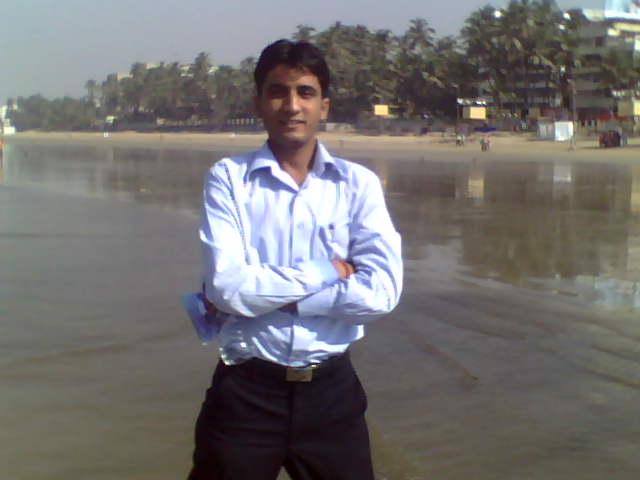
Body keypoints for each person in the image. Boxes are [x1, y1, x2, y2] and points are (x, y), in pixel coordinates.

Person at [188, 39, 403, 480]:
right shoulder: (229, 179)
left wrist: (278, 297)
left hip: (332, 397)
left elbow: (382, 293)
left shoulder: (357, 185)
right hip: (245, 394)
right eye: (277, 92)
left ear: (324, 106)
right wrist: (328, 271)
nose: (291, 106)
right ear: (259, 103)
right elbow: (228, 289)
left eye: (305, 92)